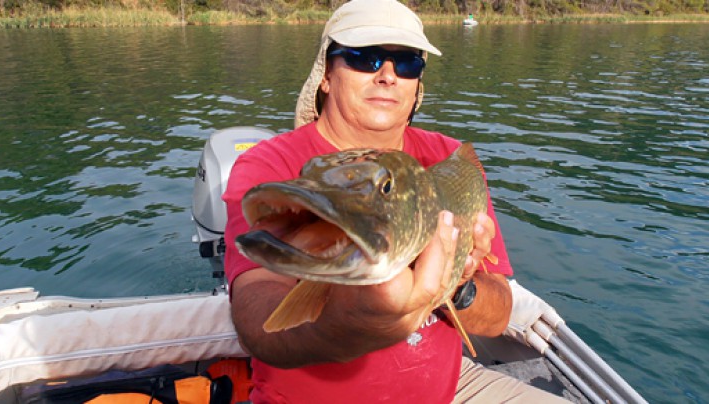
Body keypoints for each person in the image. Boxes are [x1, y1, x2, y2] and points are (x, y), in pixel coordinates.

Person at [222, 0, 570, 402]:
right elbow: (256, 313)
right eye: (363, 58)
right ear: (326, 75)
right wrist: (348, 326)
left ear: (417, 83)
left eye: (406, 63)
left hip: (451, 388)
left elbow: (497, 313)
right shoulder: (269, 163)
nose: (387, 75)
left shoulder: (450, 160)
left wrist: (456, 285)